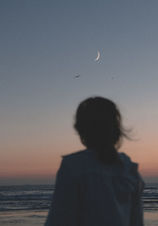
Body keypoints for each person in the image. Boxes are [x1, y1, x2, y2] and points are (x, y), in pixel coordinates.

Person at [45, 96, 144, 226]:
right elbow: (136, 221)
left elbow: (59, 219)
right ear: (116, 129)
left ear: (80, 129)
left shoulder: (74, 166)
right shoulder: (129, 169)